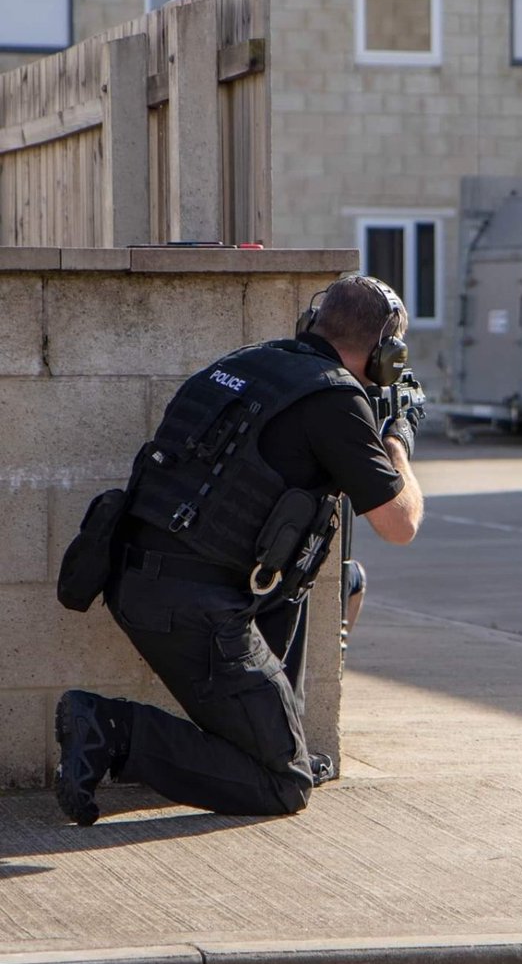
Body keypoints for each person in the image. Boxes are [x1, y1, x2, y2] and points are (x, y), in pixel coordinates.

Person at [54, 274, 424, 826]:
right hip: (195, 610)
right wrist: (397, 435)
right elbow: (400, 523)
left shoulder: (253, 362)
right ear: (385, 354)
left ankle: (279, 739)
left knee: (292, 581)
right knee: (283, 785)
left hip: (140, 580)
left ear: (312, 322)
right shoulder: (335, 401)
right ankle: (112, 729)